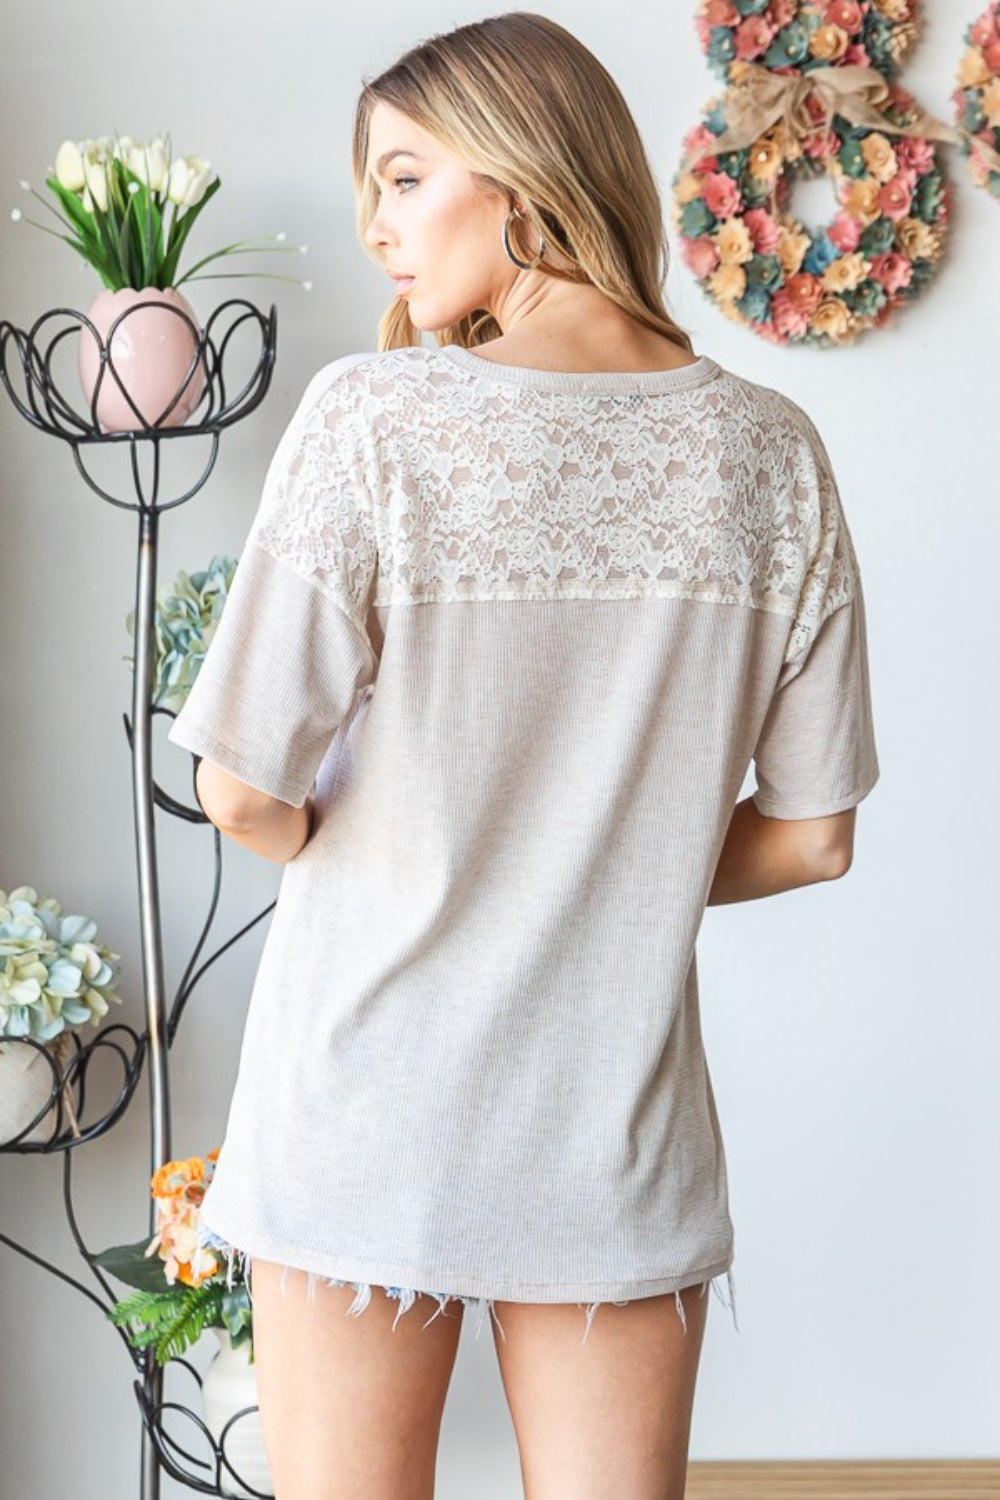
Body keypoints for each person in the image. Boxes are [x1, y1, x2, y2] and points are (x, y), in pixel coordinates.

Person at [167, 12, 880, 1499]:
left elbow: (239, 785)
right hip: (613, 1133)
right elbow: (812, 835)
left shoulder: (374, 419)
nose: (379, 228)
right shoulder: (771, 453)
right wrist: (605, 863)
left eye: (408, 179)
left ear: (524, 178)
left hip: (366, 1114)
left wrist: (379, 845)